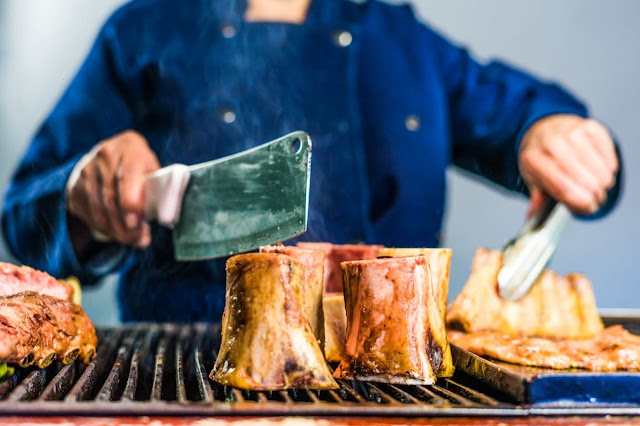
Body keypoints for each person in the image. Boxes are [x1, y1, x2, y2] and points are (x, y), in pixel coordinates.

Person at [2, 0, 621, 321]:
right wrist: (83, 191)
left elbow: (527, 115)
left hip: (397, 392)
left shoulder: (404, 41)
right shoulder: (141, 32)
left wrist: (554, 131)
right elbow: (23, 221)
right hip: (186, 383)